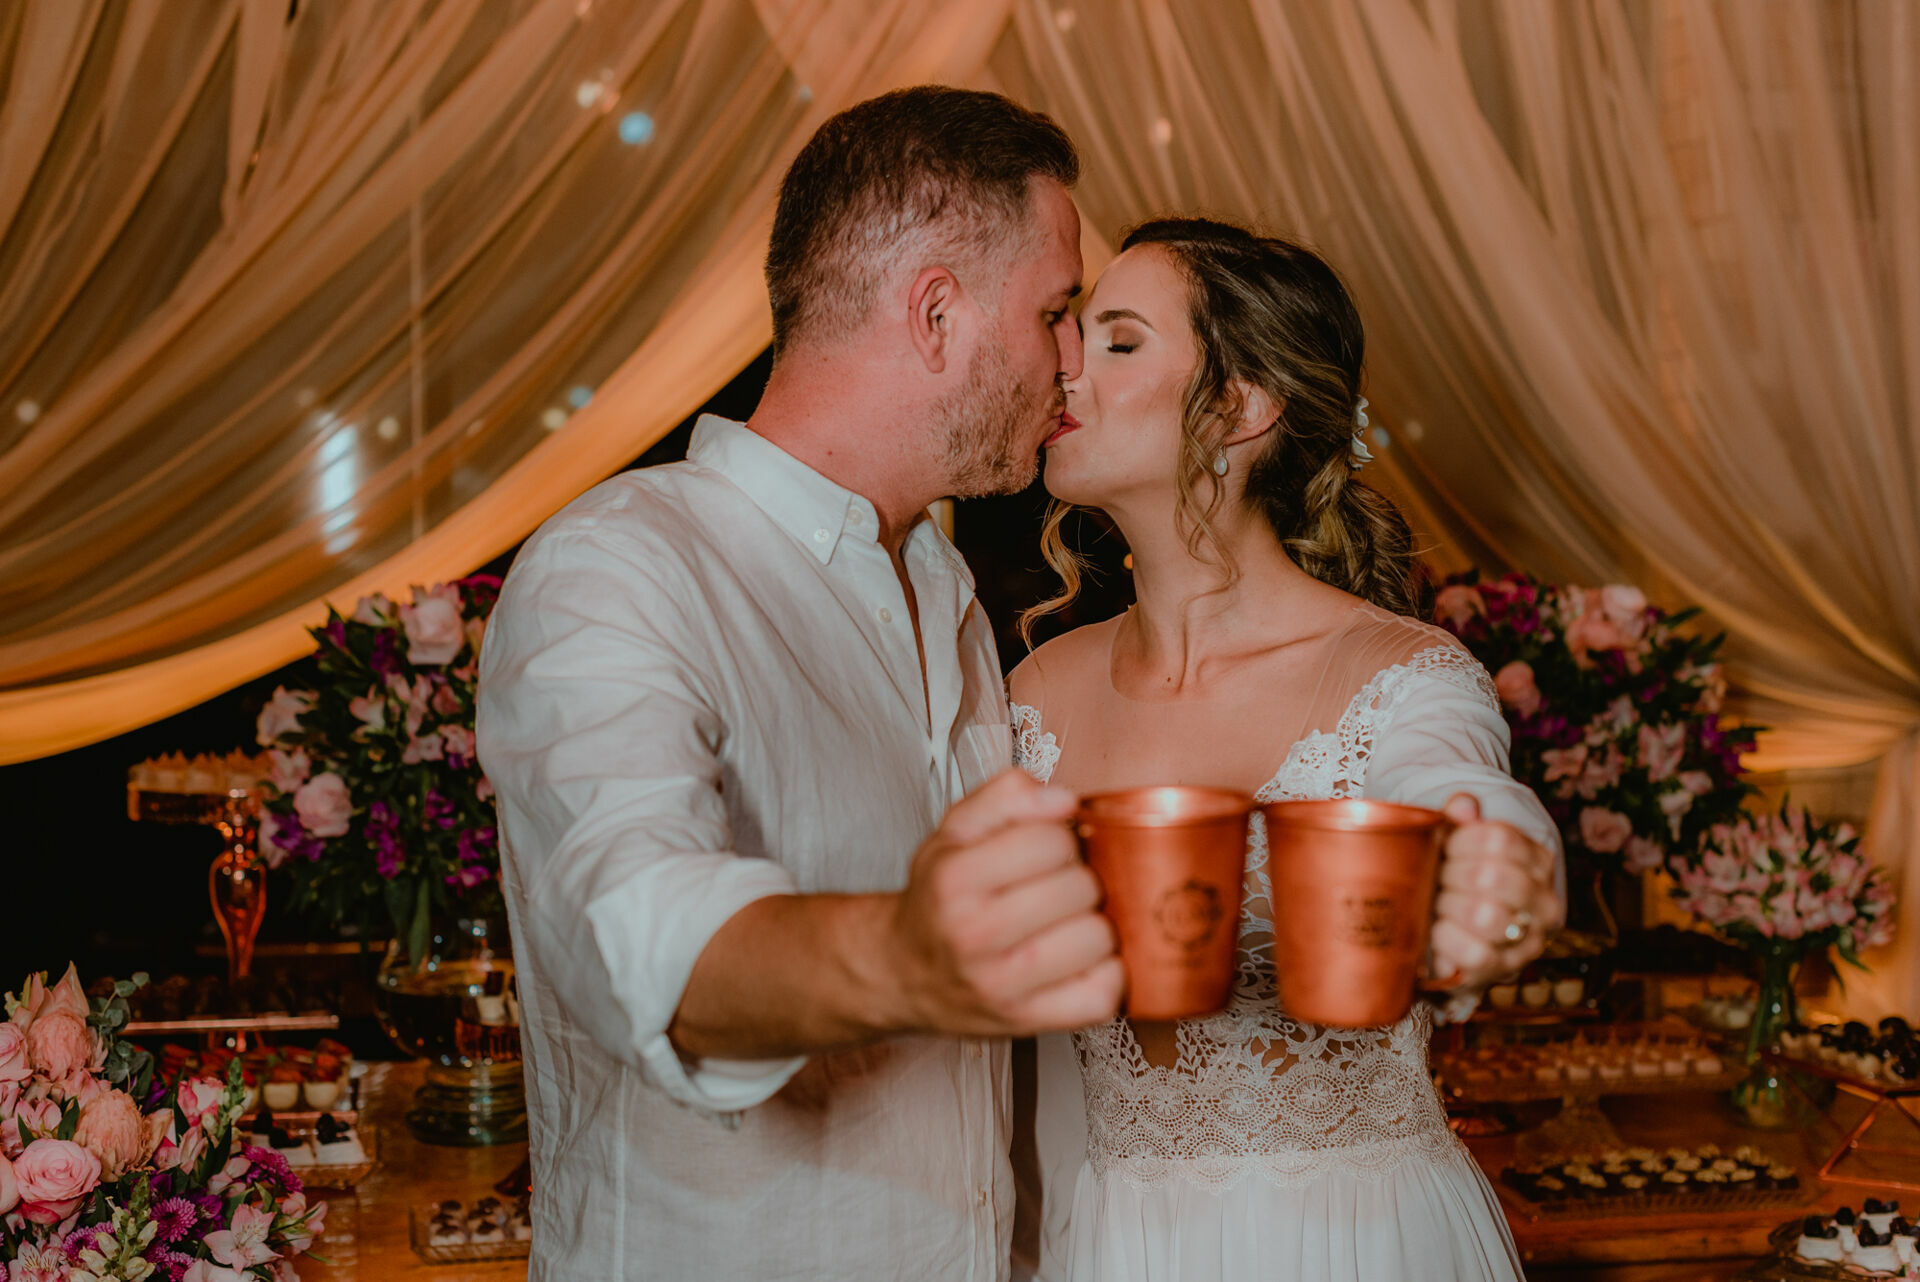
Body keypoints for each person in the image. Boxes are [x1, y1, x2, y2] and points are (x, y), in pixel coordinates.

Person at [475, 87, 1125, 1281]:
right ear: (937, 312)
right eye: (1057, 312)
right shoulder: (618, 565)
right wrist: (914, 957)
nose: (1074, 361)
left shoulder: (945, 592)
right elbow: (642, 939)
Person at [1008, 218, 1565, 1281]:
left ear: (1238, 406)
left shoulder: (1396, 672)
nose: (1066, 362)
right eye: (1074, 330)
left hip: (1353, 1239)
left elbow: (1457, 790)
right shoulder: (1035, 692)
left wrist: (1498, 861)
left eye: (1120, 340)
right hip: (1113, 1242)